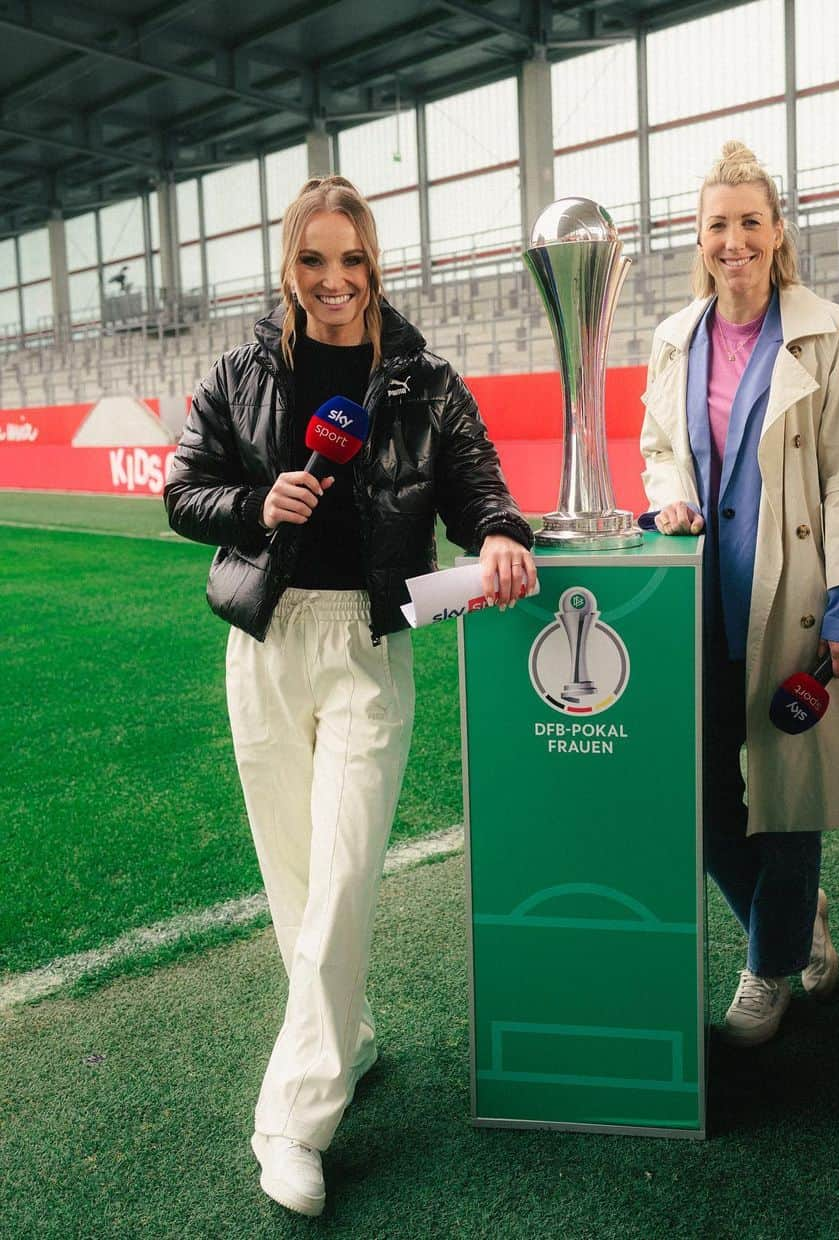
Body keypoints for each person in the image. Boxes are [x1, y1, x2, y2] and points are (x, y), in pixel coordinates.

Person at [164, 175, 536, 1216]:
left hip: (372, 644)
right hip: (266, 644)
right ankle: (351, 1034)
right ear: (290, 265)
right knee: (294, 878)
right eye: (315, 260)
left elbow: (476, 482)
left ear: (375, 264)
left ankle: (292, 1116)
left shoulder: (422, 379)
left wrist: (501, 532)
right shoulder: (241, 371)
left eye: (353, 260)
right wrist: (253, 499)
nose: (335, 281)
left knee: (341, 875)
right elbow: (182, 491)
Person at [640, 142, 839, 1047]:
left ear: (777, 230)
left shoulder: (829, 333)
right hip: (696, 605)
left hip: (796, 603)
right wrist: (668, 491)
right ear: (699, 235)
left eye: (750, 221)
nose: (734, 240)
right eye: (718, 224)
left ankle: (766, 971)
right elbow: (655, 449)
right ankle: (791, 918)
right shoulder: (672, 339)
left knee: (788, 796)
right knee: (697, 797)